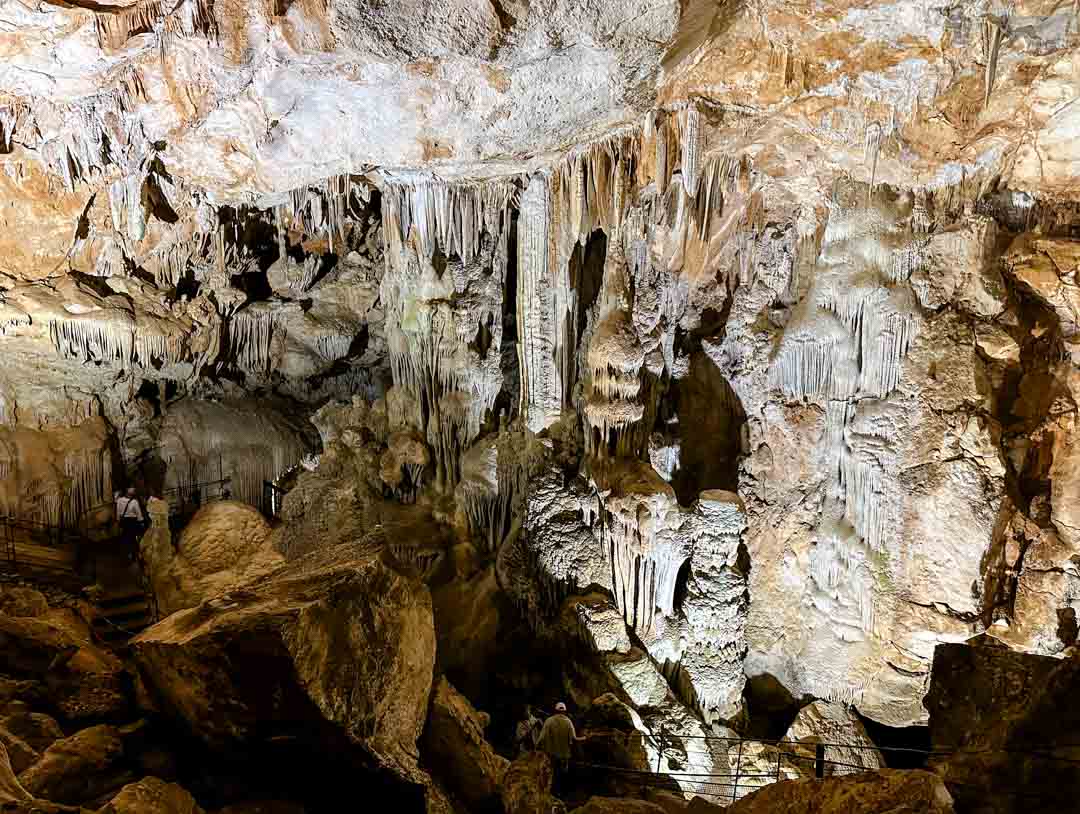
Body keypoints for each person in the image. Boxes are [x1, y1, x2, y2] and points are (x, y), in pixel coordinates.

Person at [536, 702, 583, 795]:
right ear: (565, 711)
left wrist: (536, 748)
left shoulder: (549, 721)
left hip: (551, 755)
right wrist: (586, 737)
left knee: (552, 775)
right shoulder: (568, 722)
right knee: (562, 776)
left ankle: (551, 794)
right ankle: (560, 794)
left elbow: (541, 738)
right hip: (564, 756)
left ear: (555, 710)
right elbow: (574, 739)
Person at [115, 487, 145, 561]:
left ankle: (128, 554)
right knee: (133, 538)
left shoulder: (119, 500)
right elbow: (139, 514)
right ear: (127, 490)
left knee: (126, 538)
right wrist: (141, 522)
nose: (134, 489)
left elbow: (118, 513)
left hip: (124, 522)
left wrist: (118, 521)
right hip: (132, 522)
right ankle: (134, 554)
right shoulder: (134, 502)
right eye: (131, 488)